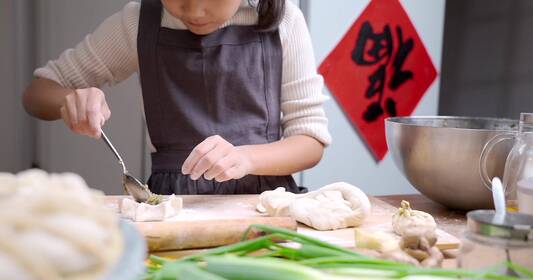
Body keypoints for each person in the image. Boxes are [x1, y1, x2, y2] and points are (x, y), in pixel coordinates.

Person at [22, 0, 331, 195]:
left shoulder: (284, 19)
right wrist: (70, 100)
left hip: (268, 206)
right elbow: (36, 94)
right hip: (171, 207)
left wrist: (246, 158)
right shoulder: (137, 22)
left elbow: (310, 141)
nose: (194, 11)